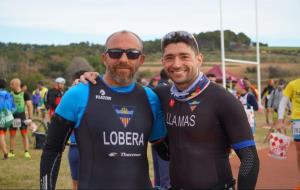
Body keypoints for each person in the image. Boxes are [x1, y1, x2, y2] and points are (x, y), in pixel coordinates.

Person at [80, 31, 260, 189]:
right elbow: (122, 89)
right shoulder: (159, 95)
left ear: (199, 59)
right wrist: (93, 79)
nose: (176, 64)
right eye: (169, 57)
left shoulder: (223, 100)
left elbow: (250, 159)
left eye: (184, 56)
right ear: (162, 62)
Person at [40, 30, 166, 189]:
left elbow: (165, 150)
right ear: (104, 57)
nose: (123, 59)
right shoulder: (78, 94)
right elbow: (52, 150)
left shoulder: (151, 98)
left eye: (132, 54)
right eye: (115, 53)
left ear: (141, 59)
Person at [277, 78, 300, 188]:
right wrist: (280, 120)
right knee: (299, 150)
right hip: (298, 121)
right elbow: (283, 102)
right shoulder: (293, 84)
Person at [9, 78, 33, 158]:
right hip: (13, 117)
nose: (10, 86)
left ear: (16, 85)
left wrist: (30, 117)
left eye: (11, 84)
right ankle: (11, 152)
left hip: (21, 116)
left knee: (24, 134)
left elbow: (29, 105)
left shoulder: (24, 94)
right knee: (12, 135)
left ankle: (26, 152)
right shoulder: (10, 94)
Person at [0, 79, 15, 160]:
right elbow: (14, 107)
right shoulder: (9, 94)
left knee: (1, 135)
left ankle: (6, 154)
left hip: (1, 116)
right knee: (2, 134)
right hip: (9, 117)